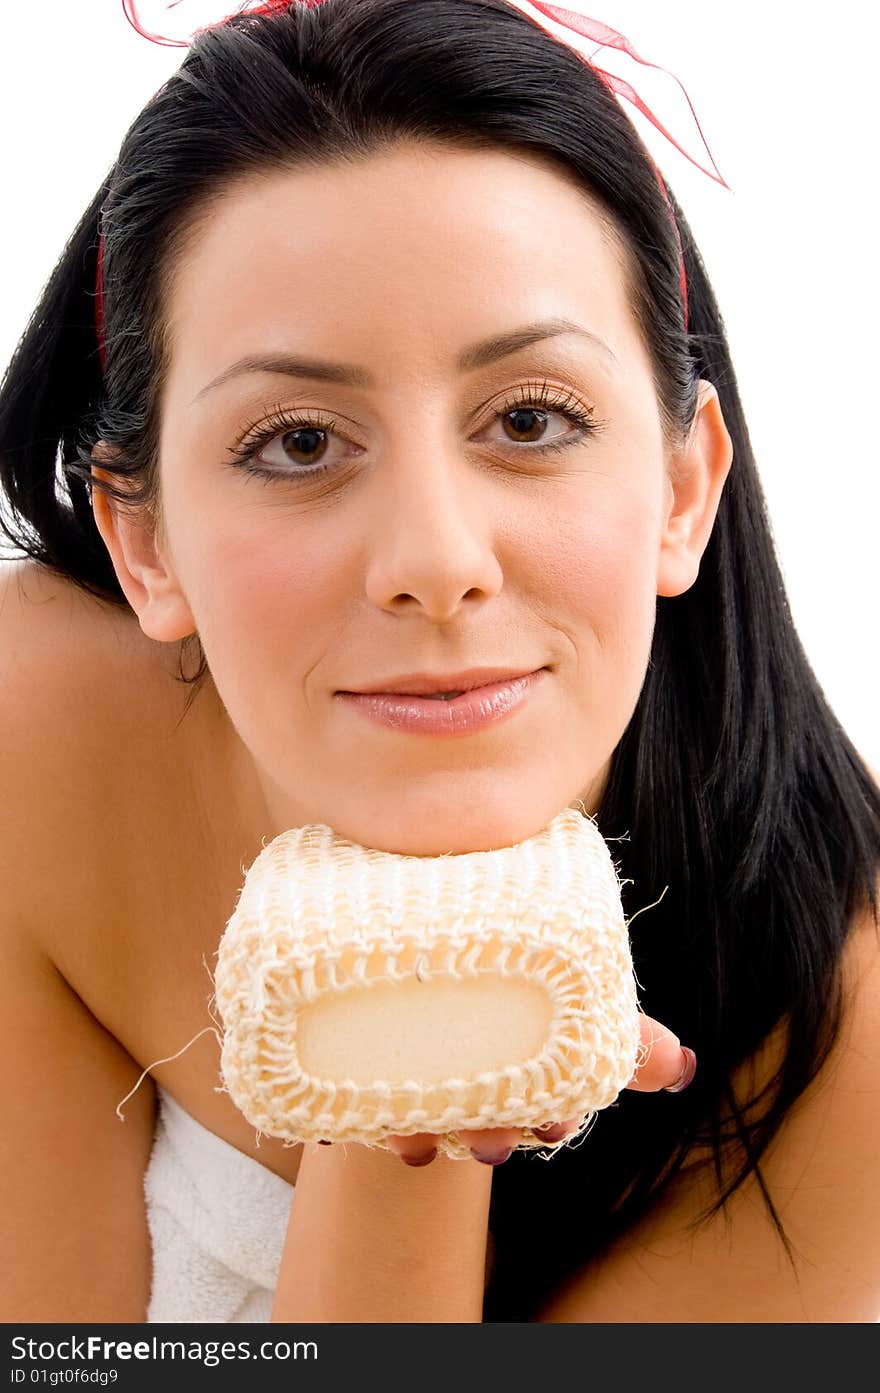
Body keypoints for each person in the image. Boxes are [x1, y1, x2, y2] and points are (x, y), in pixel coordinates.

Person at [1, 0, 878, 1324]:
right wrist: (408, 1078)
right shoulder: (31, 740)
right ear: (145, 542)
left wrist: (424, 1126)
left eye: (530, 417)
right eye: (298, 442)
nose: (433, 556)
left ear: (684, 492)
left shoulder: (841, 1049)